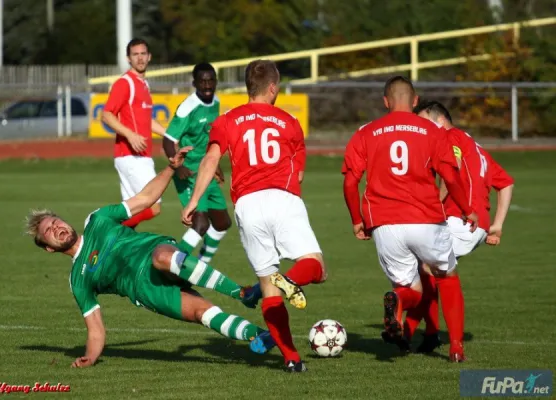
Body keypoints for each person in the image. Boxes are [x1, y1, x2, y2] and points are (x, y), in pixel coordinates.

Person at [24, 146, 275, 369]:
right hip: (145, 290)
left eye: (56, 222)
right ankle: (262, 335)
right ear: (48, 247)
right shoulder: (77, 280)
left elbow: (144, 199)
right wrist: (90, 357)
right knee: (202, 314)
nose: (57, 228)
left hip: (152, 251)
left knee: (162, 258)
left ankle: (242, 294)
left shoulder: (97, 219)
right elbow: (96, 329)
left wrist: (170, 168)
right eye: (49, 231)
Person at [181, 60, 327, 372]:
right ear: (273, 88)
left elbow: (210, 159)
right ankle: (288, 279)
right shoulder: (289, 122)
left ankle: (291, 359)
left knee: (269, 291)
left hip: (247, 206)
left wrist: (194, 200)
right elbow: (298, 176)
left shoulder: (228, 119)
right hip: (283, 198)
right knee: (315, 266)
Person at [341, 76, 478, 362]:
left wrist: (357, 219)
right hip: (425, 218)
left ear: (386, 102)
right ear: (415, 101)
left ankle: (398, 303)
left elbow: (351, 182)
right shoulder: (432, 130)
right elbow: (450, 176)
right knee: (447, 276)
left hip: (384, 223)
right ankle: (455, 347)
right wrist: (467, 208)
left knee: (409, 288)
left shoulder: (366, 132)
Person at [403, 100, 515, 353]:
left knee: (425, 269)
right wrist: (496, 225)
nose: (420, 127)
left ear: (439, 120)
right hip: (477, 224)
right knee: (432, 271)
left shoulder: (449, 137)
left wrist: (430, 205)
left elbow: (448, 174)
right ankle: (428, 334)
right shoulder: (475, 147)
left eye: (423, 120)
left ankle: (408, 330)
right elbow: (506, 183)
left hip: (461, 220)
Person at [163, 63, 231, 263]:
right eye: (202, 81)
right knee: (200, 223)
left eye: (211, 80)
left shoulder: (216, 103)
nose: (207, 85)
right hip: (189, 173)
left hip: (206, 171)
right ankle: (171, 266)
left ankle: (200, 265)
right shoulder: (188, 107)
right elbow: (168, 140)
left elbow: (210, 137)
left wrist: (214, 163)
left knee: (222, 223)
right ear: (195, 83)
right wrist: (178, 166)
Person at [102, 38, 167, 229]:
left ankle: (115, 251)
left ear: (149, 57)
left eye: (143, 54)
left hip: (139, 156)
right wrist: (130, 135)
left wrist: (170, 136)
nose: (139, 58)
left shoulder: (143, 85)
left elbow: (147, 122)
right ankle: (108, 231)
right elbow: (107, 115)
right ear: (128, 58)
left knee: (133, 211)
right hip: (131, 156)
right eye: (135, 54)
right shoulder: (125, 83)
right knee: (154, 206)